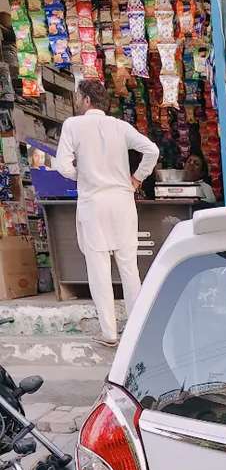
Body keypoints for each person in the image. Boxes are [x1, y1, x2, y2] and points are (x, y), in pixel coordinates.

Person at [54, 79, 159, 347]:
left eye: (78, 97)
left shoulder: (73, 126)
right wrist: (137, 178)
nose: (77, 102)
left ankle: (109, 333)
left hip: (94, 204)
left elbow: (62, 166)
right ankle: (136, 330)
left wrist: (83, 175)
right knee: (129, 268)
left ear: (87, 100)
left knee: (98, 269)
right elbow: (152, 150)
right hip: (122, 201)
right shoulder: (120, 126)